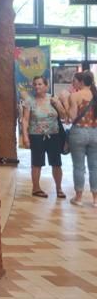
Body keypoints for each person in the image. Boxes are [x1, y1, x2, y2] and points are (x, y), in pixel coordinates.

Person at [20, 75, 66, 199]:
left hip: (54, 135)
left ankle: (59, 188)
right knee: (37, 163)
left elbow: (63, 116)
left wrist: (58, 104)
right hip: (36, 136)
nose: (37, 86)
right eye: (35, 84)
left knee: (56, 163)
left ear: (46, 86)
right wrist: (25, 137)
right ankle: (36, 188)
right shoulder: (29, 101)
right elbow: (25, 120)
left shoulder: (53, 98)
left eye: (40, 84)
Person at [65, 70, 97, 207]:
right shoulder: (95, 95)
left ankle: (78, 198)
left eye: (75, 81)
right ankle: (96, 199)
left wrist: (64, 103)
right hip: (95, 132)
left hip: (78, 132)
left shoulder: (75, 96)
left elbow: (72, 117)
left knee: (79, 166)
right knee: (94, 167)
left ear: (81, 81)